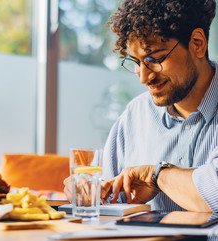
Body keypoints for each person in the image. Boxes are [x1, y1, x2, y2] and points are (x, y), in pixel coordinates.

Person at [64, 0, 218, 212]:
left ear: (197, 43)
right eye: (136, 62)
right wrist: (87, 192)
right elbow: (109, 200)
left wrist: (154, 175)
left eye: (154, 59)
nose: (144, 78)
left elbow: (214, 193)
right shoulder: (135, 116)